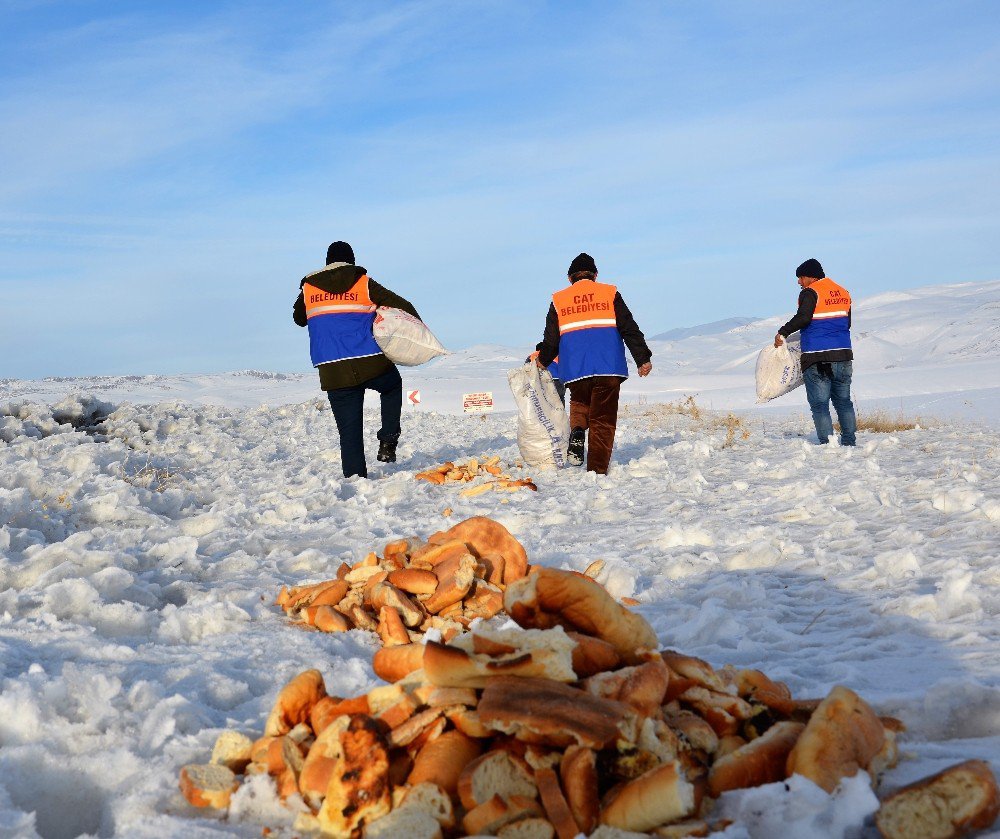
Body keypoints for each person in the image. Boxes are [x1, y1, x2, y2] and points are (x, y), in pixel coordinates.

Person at [293, 241, 422, 478]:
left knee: (349, 432)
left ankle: (356, 480)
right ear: (351, 261)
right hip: (370, 361)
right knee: (392, 385)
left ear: (327, 263)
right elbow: (404, 306)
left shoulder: (309, 289)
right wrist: (416, 332)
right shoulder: (363, 282)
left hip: (333, 370)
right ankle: (388, 440)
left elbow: (299, 319)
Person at [535, 253, 652, 474]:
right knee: (602, 419)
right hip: (609, 367)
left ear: (570, 278)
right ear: (595, 275)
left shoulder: (559, 300)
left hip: (576, 369)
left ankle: (578, 429)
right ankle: (596, 470)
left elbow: (551, 339)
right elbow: (629, 327)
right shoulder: (610, 293)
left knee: (579, 403)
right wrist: (642, 358)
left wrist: (543, 361)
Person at [774, 258, 857, 446]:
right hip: (843, 355)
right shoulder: (844, 293)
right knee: (843, 401)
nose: (799, 282)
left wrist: (783, 332)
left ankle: (828, 444)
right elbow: (847, 323)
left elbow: (803, 318)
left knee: (820, 404)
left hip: (817, 356)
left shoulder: (811, 293)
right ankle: (850, 442)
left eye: (801, 277)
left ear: (811, 277)